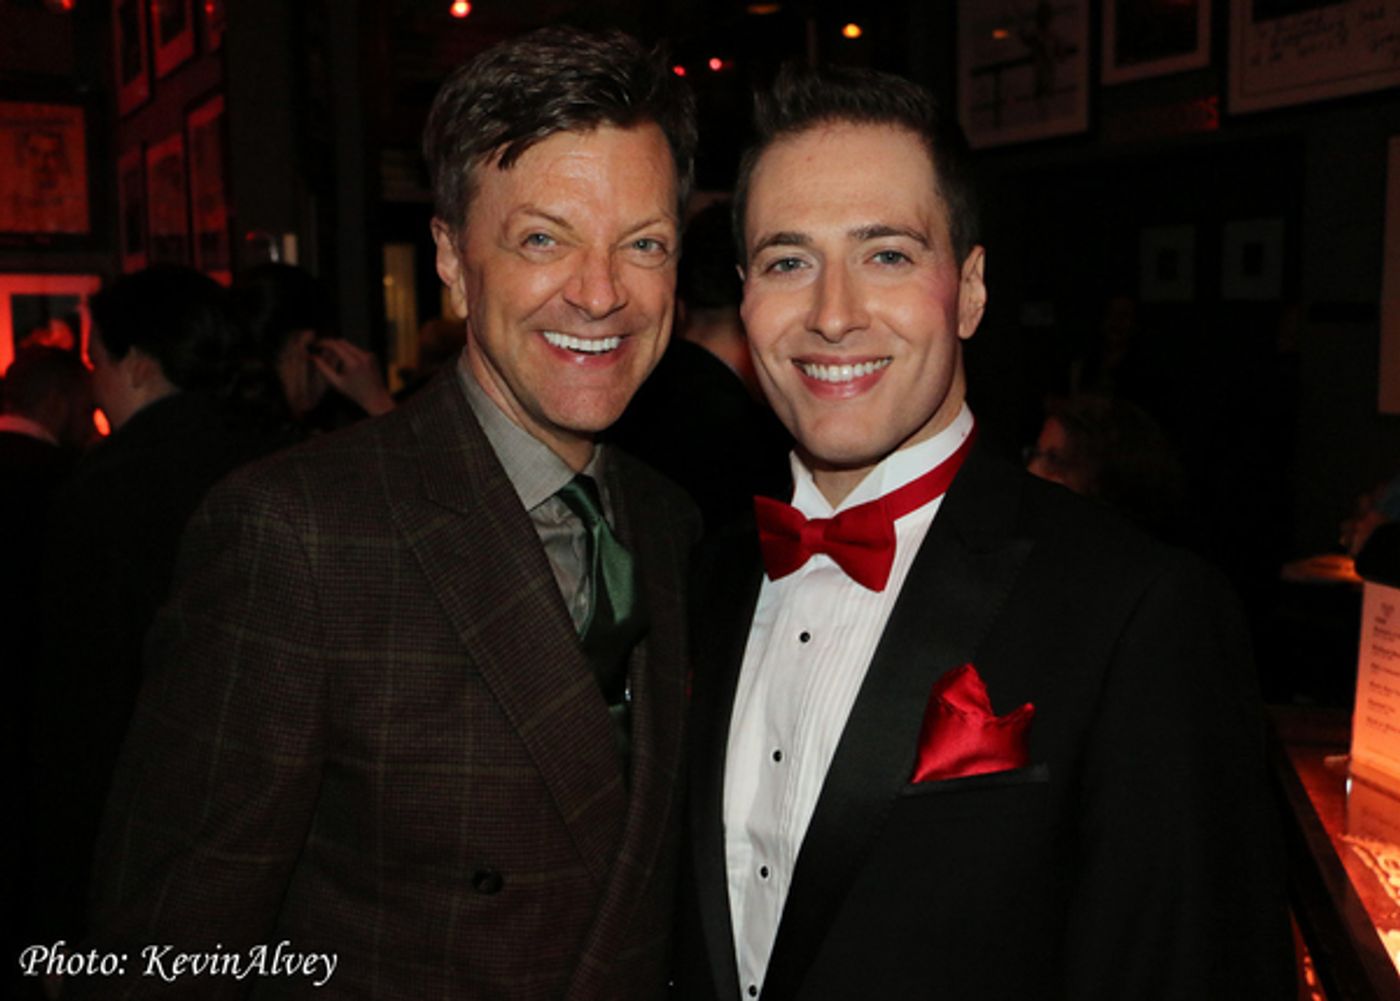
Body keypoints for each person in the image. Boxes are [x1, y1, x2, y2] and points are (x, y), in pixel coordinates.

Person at [63, 27, 697, 1000]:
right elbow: (162, 950)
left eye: (642, 243)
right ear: (449, 256)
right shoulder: (298, 533)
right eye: (541, 237)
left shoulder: (674, 524)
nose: (601, 291)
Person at [675, 65, 1292, 1000]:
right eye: (788, 259)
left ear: (967, 290)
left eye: (886, 254)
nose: (833, 313)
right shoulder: (707, 577)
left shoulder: (1140, 610)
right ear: (745, 296)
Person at [28, 267, 290, 950]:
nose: (91, 380)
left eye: (96, 360)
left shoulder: (110, 490)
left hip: (160, 831)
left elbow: (82, 713)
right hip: (288, 821)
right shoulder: (284, 455)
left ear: (138, 366)